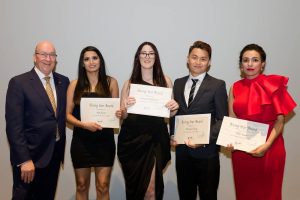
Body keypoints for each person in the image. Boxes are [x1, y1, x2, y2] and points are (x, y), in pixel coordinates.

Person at [228, 44, 297, 200]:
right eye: (245, 60)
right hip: (242, 151)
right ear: (241, 65)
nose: (250, 64)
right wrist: (230, 141)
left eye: (255, 60)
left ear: (263, 64)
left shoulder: (273, 84)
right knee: (244, 193)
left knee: (269, 194)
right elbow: (232, 119)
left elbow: (280, 121)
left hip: (270, 148)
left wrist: (266, 145)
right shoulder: (234, 87)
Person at [5, 41, 70, 200]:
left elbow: (71, 111)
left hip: (54, 155)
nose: (48, 59)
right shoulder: (19, 83)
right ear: (35, 57)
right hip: (30, 158)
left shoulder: (63, 82)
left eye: (52, 55)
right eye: (43, 54)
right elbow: (14, 126)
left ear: (56, 59)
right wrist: (24, 159)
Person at [117, 41, 179, 200]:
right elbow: (122, 116)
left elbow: (171, 113)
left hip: (155, 140)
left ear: (156, 57)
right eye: (143, 53)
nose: (147, 56)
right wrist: (124, 108)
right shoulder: (128, 84)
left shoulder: (166, 81)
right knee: (136, 190)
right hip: (132, 143)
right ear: (137, 57)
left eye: (151, 53)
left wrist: (175, 107)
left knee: (151, 190)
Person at [170, 40, 228, 200]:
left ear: (209, 62)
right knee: (185, 195)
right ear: (187, 59)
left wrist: (203, 139)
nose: (198, 62)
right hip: (182, 153)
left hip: (207, 153)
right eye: (194, 57)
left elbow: (222, 120)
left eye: (203, 59)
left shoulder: (217, 85)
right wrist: (172, 135)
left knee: (208, 196)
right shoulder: (178, 83)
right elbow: (176, 113)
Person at [66, 46, 120, 200]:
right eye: (86, 59)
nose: (91, 62)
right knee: (81, 185)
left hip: (105, 142)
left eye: (95, 58)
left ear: (100, 61)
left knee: (102, 186)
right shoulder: (74, 85)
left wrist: (119, 113)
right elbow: (67, 116)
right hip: (81, 142)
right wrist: (84, 125)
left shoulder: (111, 82)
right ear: (82, 63)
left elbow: (116, 112)